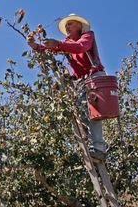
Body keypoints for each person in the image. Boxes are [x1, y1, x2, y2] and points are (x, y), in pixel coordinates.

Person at [27, 13, 108, 161]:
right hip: (82, 81)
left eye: (70, 24)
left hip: (95, 76)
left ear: (79, 25)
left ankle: (99, 148)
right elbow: (48, 49)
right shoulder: (66, 42)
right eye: (66, 25)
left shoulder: (87, 36)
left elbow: (80, 47)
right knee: (83, 112)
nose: (67, 27)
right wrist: (35, 46)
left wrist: (58, 44)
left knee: (93, 111)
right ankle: (94, 145)